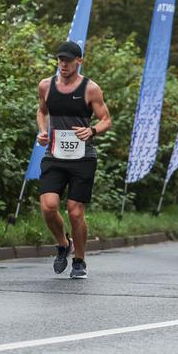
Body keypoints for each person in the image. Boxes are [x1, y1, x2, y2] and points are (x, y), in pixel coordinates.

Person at [36, 41, 112, 279]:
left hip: (82, 157)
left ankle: (79, 261)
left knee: (75, 212)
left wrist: (92, 131)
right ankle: (63, 244)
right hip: (54, 155)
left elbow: (106, 119)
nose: (64, 64)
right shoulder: (46, 86)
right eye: (60, 59)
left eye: (69, 60)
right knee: (48, 206)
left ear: (79, 61)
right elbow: (42, 111)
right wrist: (42, 131)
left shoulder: (91, 89)